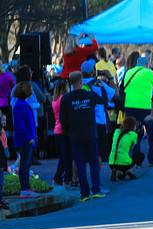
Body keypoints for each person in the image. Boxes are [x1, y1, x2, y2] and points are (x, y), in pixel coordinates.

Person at [60, 71, 103, 202]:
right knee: (94, 162)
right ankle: (96, 189)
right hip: (90, 133)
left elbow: (62, 119)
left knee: (80, 164)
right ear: (81, 81)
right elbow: (102, 100)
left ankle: (84, 193)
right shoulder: (89, 95)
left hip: (75, 134)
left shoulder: (66, 99)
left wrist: (69, 130)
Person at [121, 51, 153, 166]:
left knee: (134, 134)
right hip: (145, 107)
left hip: (130, 108)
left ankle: (136, 161)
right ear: (146, 63)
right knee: (152, 134)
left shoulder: (128, 72)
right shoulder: (149, 72)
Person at [12, 82, 37, 198]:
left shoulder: (21, 104)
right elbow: (20, 125)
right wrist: (29, 137)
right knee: (24, 164)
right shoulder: (21, 106)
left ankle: (26, 188)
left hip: (26, 139)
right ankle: (24, 189)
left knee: (26, 164)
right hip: (25, 140)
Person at [51, 80, 73, 188]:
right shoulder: (63, 99)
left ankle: (58, 178)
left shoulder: (54, 99)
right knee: (67, 157)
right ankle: (66, 179)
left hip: (57, 129)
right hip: (63, 130)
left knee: (63, 157)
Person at [109, 117, 143, 181]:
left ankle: (118, 172)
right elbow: (131, 149)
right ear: (133, 126)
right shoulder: (133, 134)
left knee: (122, 177)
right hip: (123, 162)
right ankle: (128, 170)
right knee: (140, 155)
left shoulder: (116, 131)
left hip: (111, 162)